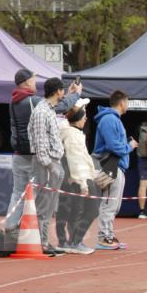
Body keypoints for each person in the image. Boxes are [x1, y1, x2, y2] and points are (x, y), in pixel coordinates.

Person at [7, 68, 81, 226]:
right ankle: (32, 232)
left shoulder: (13, 101)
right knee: (39, 197)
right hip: (34, 156)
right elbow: (58, 106)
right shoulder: (33, 101)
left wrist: (64, 94)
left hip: (18, 154)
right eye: (33, 80)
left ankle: (11, 228)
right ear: (27, 82)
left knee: (18, 194)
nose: (35, 83)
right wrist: (75, 95)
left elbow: (54, 102)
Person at [27, 77, 70, 255]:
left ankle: (44, 241)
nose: (64, 93)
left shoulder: (49, 110)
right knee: (44, 204)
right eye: (63, 90)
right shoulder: (41, 111)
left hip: (52, 162)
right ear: (58, 91)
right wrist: (49, 165)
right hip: (46, 163)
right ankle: (41, 242)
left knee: (49, 205)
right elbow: (40, 142)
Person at [92, 91, 138, 248]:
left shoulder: (112, 119)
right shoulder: (109, 119)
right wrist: (129, 146)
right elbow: (113, 146)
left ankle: (108, 235)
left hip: (116, 166)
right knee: (109, 203)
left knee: (113, 205)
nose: (128, 106)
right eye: (127, 102)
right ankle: (103, 238)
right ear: (122, 103)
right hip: (110, 165)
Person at [57, 100, 97, 254]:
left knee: (71, 211)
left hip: (76, 178)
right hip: (77, 179)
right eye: (84, 115)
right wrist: (83, 184)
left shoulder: (73, 133)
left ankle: (69, 241)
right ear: (78, 118)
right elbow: (75, 161)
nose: (86, 118)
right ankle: (74, 241)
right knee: (87, 210)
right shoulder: (72, 135)